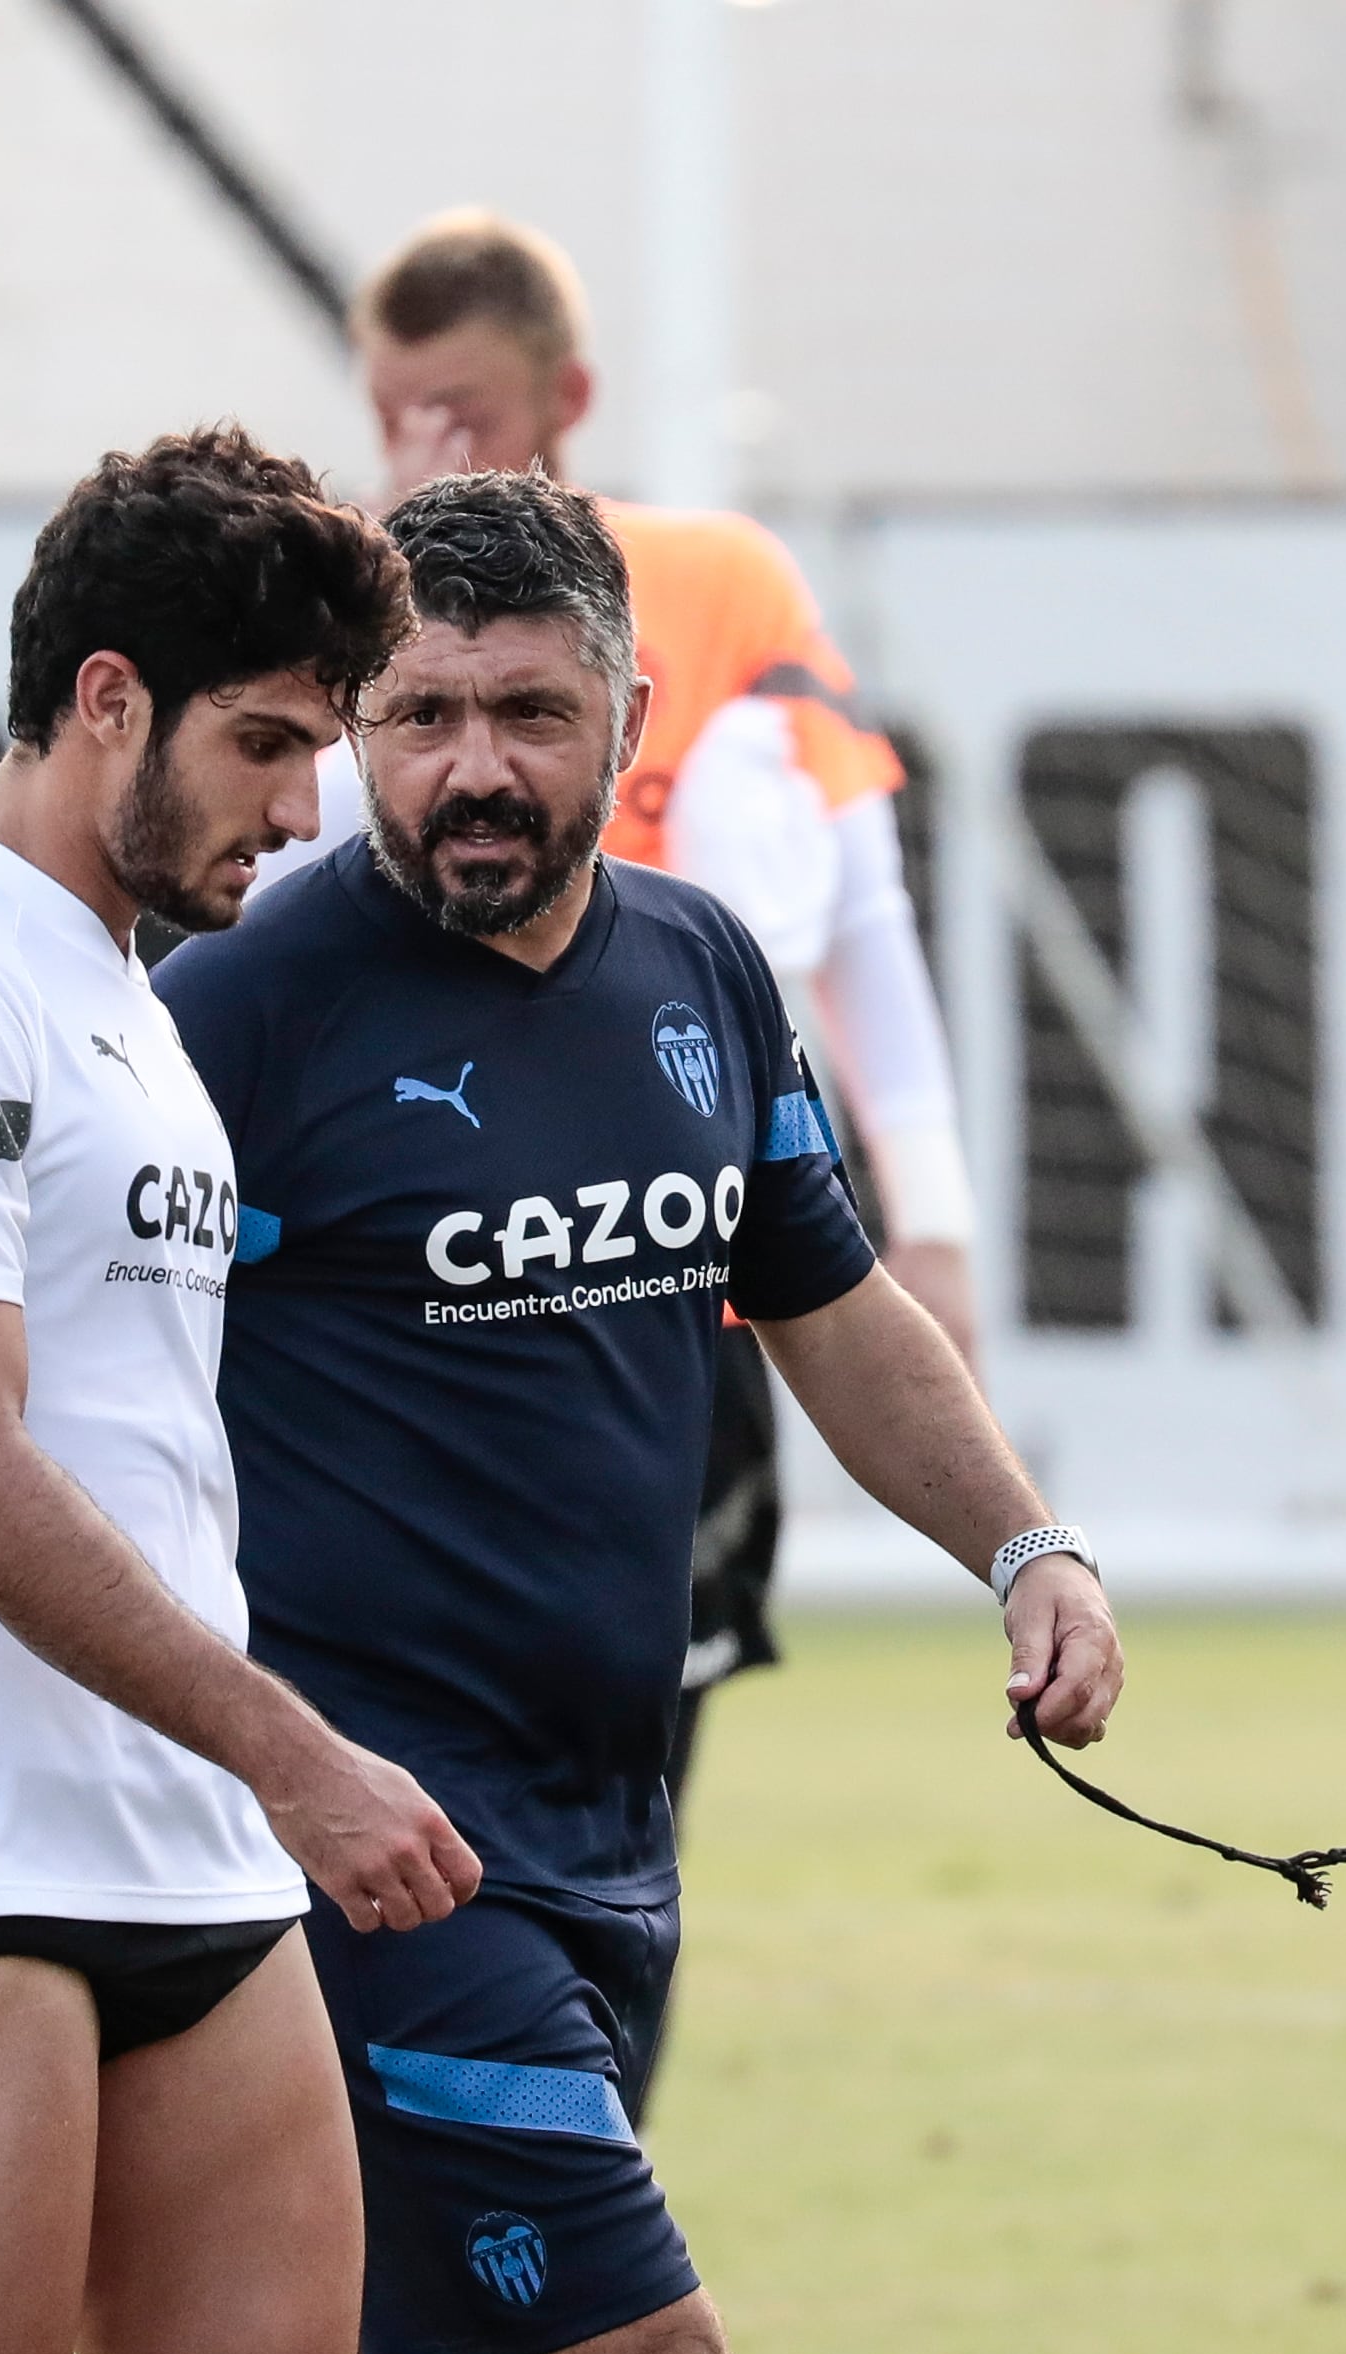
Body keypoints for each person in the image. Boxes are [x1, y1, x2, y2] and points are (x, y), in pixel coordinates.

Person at [156, 470, 1122, 2354]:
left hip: (608, 1822)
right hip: (374, 1852)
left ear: (632, 722)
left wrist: (1026, 1546)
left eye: (531, 714)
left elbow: (831, 1310)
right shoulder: (236, 1012)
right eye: (419, 717)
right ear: (355, 723)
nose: (473, 770)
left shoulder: (704, 972)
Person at [0, 424, 483, 2354]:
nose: (307, 811)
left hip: (198, 1870)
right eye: (264, 743)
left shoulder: (123, 1006)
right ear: (106, 699)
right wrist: (299, 1755)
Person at [266, 206, 981, 1932]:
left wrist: (932, 1213)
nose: (426, 454)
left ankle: (570, 2121)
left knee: (627, 1745)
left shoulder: (719, 579)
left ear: (563, 395)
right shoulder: (340, 594)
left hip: (655, 1245)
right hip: (412, 1249)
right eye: (393, 413)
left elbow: (858, 908)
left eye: (462, 412)